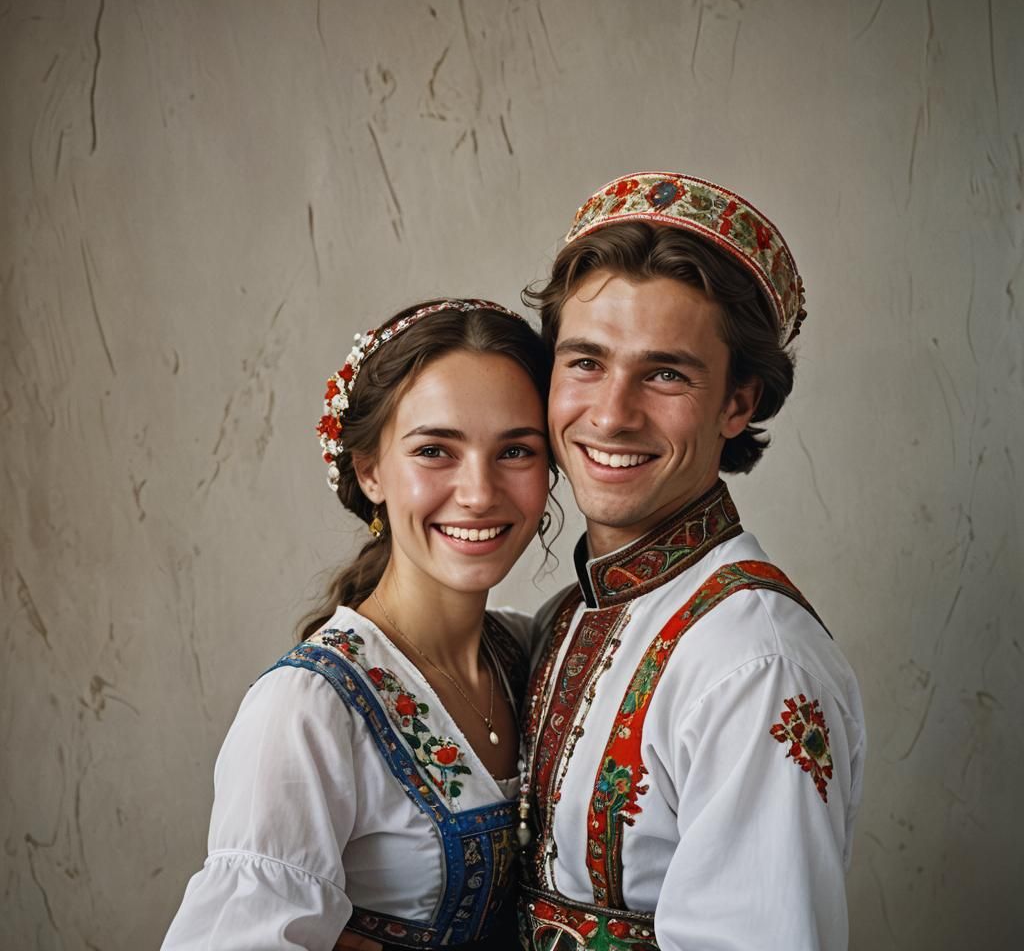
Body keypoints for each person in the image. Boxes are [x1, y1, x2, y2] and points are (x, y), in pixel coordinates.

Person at [515, 173, 866, 950]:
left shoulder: (756, 664)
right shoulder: (568, 616)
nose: (611, 412)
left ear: (738, 403)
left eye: (665, 372)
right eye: (585, 362)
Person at [162, 298, 555, 950]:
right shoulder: (308, 709)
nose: (480, 492)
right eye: (435, 450)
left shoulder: (526, 652)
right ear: (370, 469)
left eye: (516, 449)